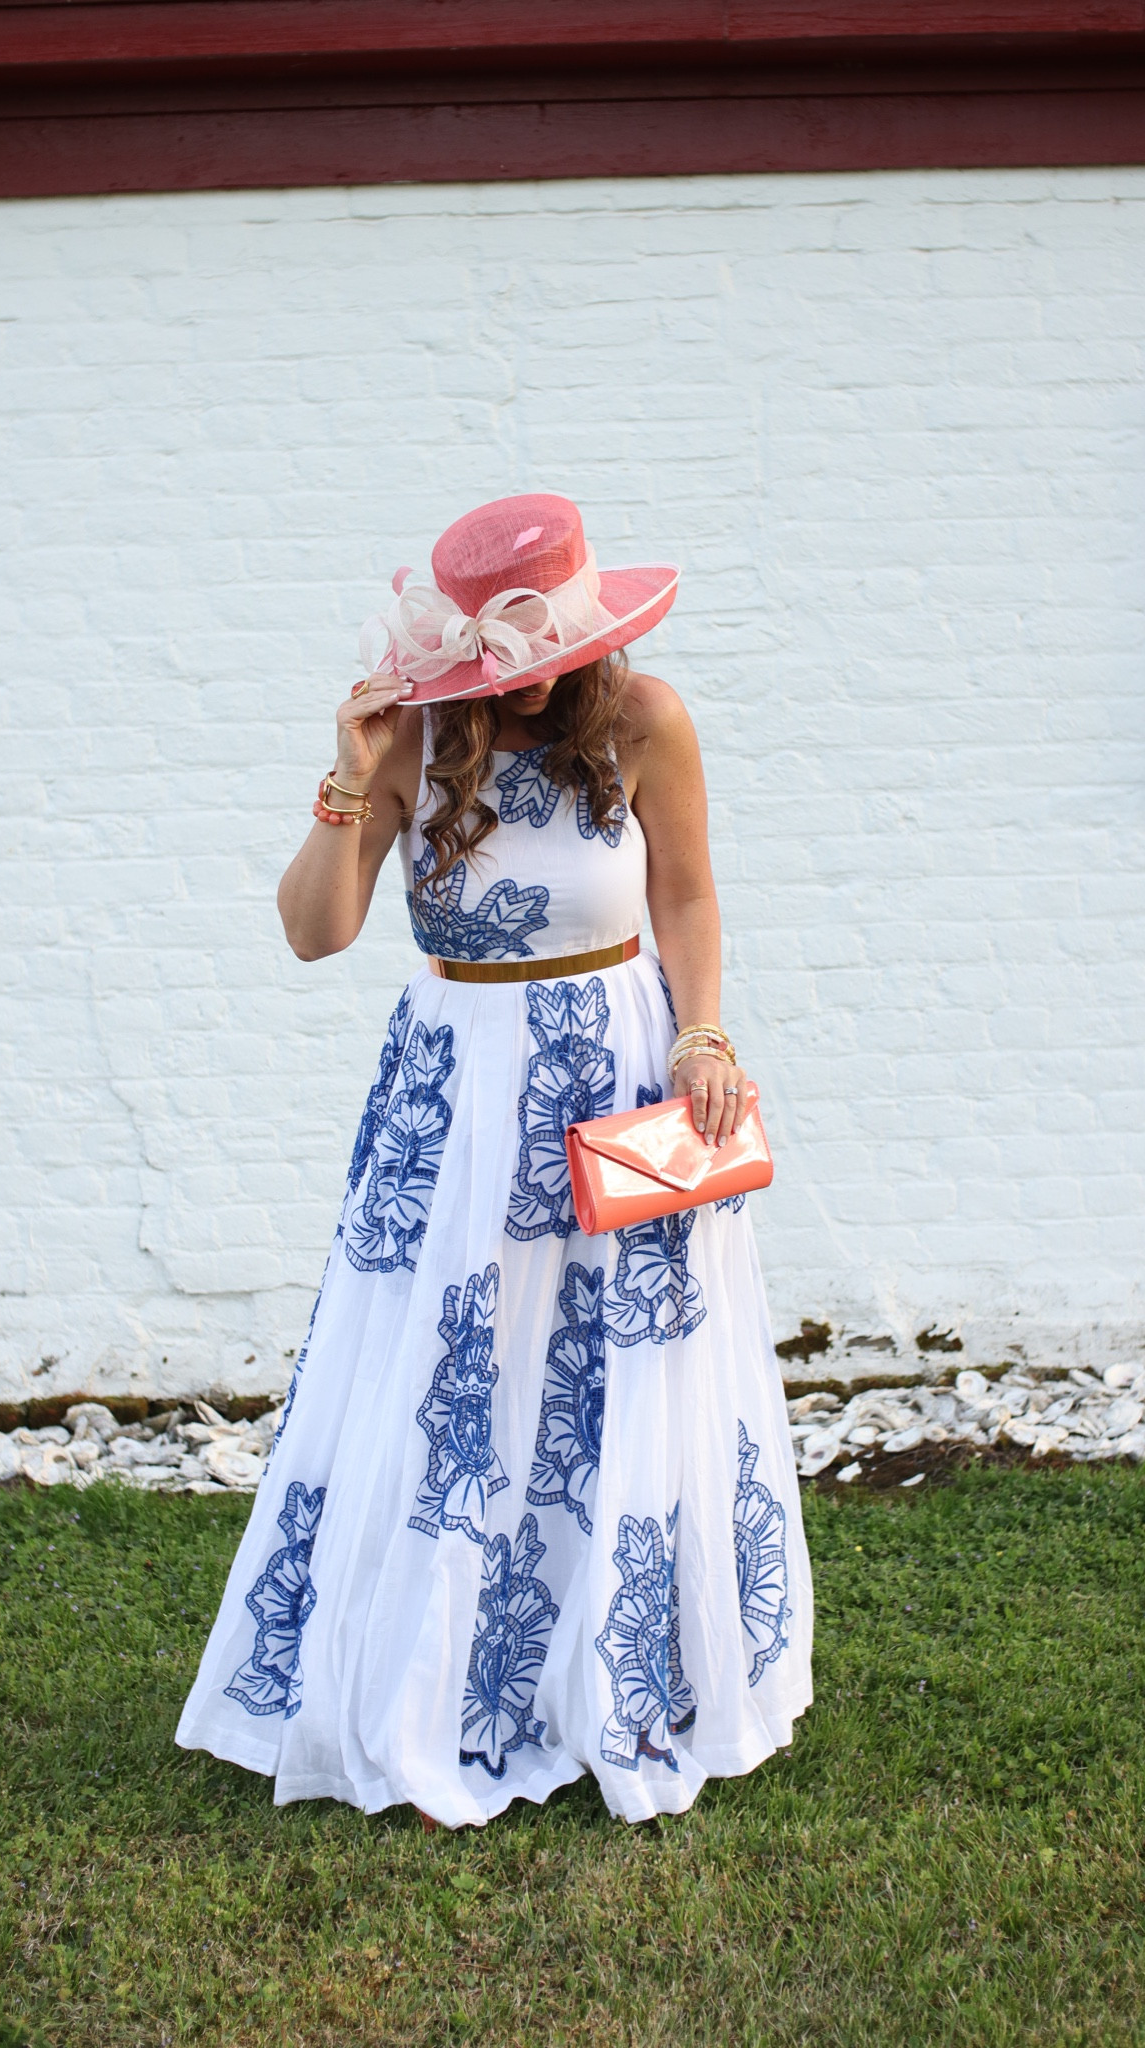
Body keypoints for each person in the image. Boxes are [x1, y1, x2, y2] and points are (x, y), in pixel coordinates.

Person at [177, 493, 814, 1826]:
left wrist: (702, 1029)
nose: (514, 687)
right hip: (456, 1086)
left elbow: (685, 894)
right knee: (450, 1369)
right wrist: (351, 773)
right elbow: (314, 931)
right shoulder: (412, 734)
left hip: (620, 1077)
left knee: (616, 1376)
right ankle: (430, 1694)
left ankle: (623, 1679)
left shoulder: (645, 722)